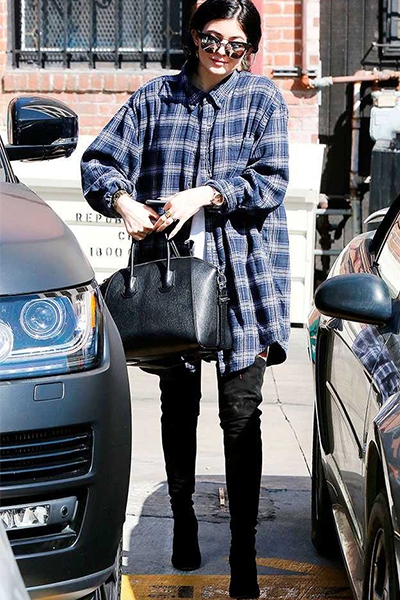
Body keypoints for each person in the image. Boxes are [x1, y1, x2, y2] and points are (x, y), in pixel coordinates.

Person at [81, 1, 290, 597]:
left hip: (243, 279)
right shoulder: (155, 97)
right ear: (194, 37)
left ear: (249, 50)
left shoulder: (263, 100)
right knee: (179, 407)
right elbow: (100, 161)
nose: (222, 52)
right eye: (212, 39)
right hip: (171, 282)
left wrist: (207, 192)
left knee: (241, 413)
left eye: (236, 45)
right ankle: (183, 521)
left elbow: (271, 181)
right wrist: (123, 201)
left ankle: (244, 551)